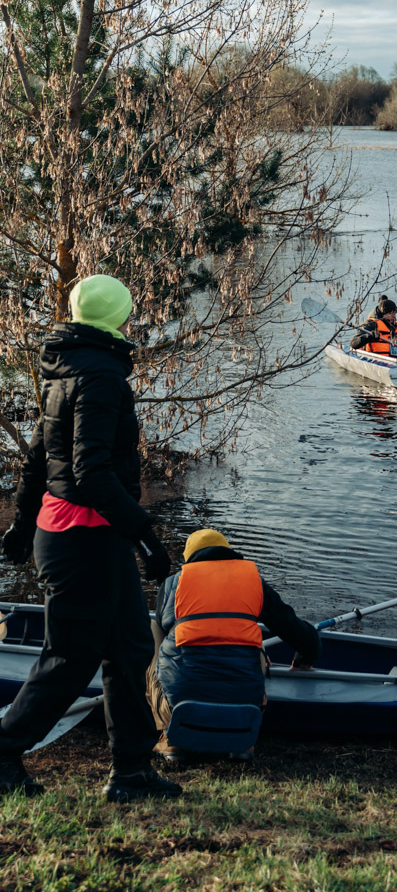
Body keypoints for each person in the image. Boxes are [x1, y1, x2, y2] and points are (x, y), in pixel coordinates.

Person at [0, 274, 181, 803]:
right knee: (71, 657)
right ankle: (5, 751)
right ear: (118, 317)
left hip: (82, 534)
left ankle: (131, 770)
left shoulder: (67, 367)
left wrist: (19, 523)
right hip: (83, 538)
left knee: (127, 651)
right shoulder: (101, 377)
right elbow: (91, 473)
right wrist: (146, 535)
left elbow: (38, 456)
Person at [148, 528, 320, 760]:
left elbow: (167, 629)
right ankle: (240, 742)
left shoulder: (174, 583)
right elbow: (300, 633)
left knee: (155, 627)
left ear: (189, 559)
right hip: (243, 707)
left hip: (178, 703)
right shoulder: (253, 581)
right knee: (251, 635)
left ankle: (170, 738)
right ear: (228, 553)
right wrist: (303, 659)